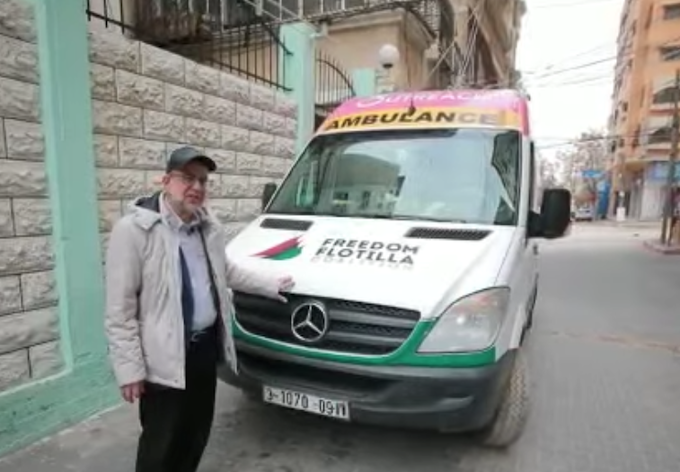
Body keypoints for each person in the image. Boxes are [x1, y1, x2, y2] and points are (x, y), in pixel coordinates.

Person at [104, 146, 295, 472]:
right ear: (166, 181)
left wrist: (270, 284)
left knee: (195, 436)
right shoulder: (134, 231)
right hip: (162, 357)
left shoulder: (208, 227)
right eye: (187, 178)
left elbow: (226, 272)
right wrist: (130, 370)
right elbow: (119, 308)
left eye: (203, 180)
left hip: (204, 351)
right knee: (160, 444)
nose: (197, 187)